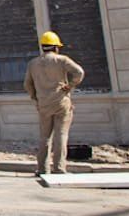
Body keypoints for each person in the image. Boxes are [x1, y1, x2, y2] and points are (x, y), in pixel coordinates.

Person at [23, 30, 85, 174]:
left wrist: (35, 97)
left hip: (43, 104)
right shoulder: (61, 60)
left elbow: (27, 84)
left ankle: (42, 169)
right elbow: (79, 72)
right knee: (61, 135)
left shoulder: (33, 64)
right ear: (56, 47)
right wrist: (70, 86)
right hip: (61, 101)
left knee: (45, 137)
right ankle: (59, 168)